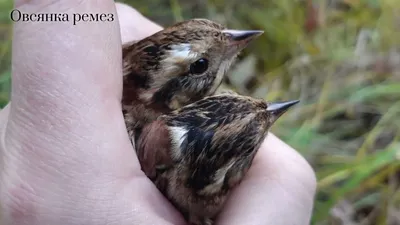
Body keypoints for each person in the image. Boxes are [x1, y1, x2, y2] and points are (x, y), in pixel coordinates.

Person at [0, 1, 317, 224]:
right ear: (162, 99)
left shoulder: (110, 84)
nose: (238, 38)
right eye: (200, 66)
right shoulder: (128, 134)